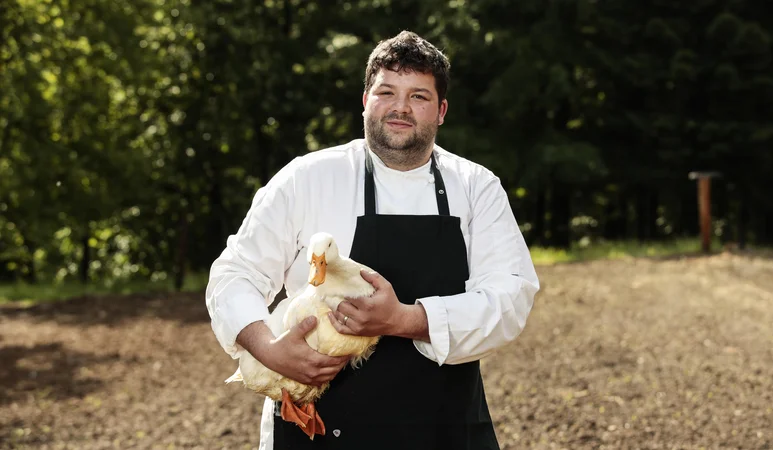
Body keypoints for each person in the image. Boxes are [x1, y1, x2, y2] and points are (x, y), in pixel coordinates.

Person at [205, 30, 539, 450]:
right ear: (365, 100)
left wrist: (404, 320)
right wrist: (266, 346)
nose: (401, 108)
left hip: (443, 432)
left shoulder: (476, 187)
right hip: (322, 435)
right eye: (386, 92)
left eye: (419, 96)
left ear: (442, 111)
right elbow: (235, 274)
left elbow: (510, 297)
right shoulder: (306, 178)